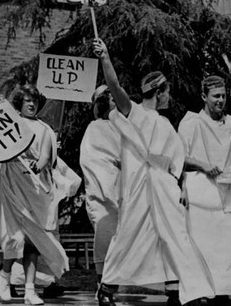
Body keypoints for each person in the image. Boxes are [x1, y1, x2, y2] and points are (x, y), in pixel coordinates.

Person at [93, 39, 215, 306]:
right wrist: (105, 58)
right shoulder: (134, 112)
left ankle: (180, 290)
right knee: (130, 234)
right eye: (167, 92)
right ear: (159, 93)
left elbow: (177, 161)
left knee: (176, 233)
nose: (169, 97)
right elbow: (115, 87)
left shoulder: (165, 123)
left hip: (163, 184)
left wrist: (186, 181)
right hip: (139, 186)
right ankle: (107, 287)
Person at [178, 75, 231, 306]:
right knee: (204, 245)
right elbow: (179, 157)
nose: (221, 101)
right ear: (204, 96)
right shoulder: (191, 123)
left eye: (224, 96)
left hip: (229, 192)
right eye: (216, 96)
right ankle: (202, 293)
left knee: (230, 246)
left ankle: (223, 293)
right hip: (202, 193)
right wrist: (202, 166)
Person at [0, 85, 69, 305]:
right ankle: (5, 276)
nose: (32, 104)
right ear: (19, 103)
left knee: (32, 239)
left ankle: (30, 290)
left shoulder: (44, 128)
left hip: (35, 188)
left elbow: (45, 157)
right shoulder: (9, 123)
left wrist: (37, 167)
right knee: (14, 236)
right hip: (12, 183)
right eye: (27, 100)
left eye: (35, 100)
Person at [80, 85, 121, 288]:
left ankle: (112, 284)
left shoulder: (122, 126)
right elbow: (92, 160)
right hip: (103, 193)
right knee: (105, 235)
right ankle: (103, 285)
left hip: (121, 191)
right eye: (113, 100)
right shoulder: (96, 128)